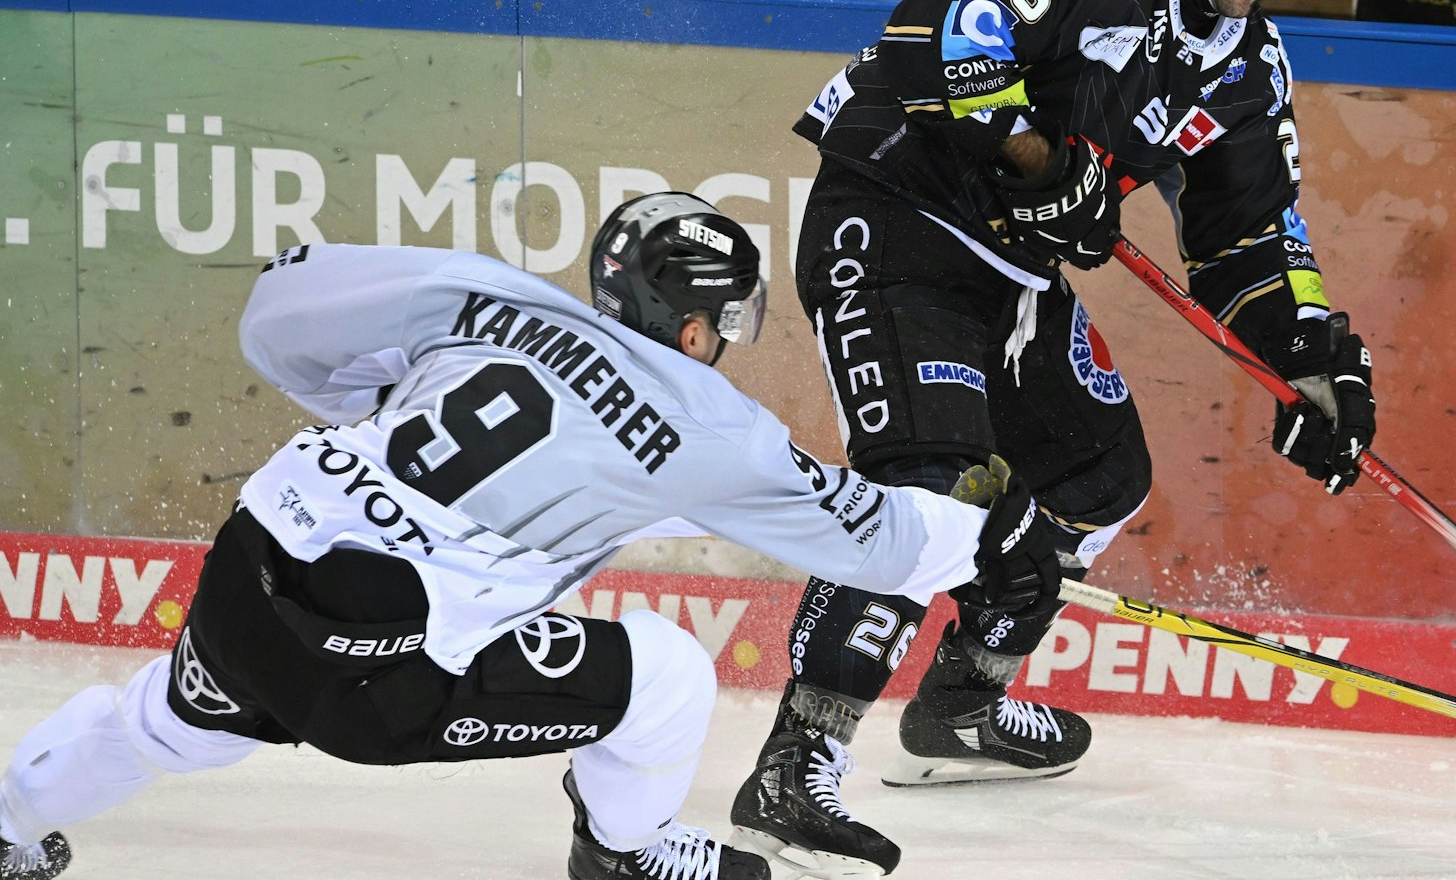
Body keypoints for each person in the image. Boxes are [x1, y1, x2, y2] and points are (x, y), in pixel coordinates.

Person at [0, 194, 1062, 880]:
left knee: (167, 723)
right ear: (695, 328)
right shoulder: (708, 424)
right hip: (372, 663)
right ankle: (625, 853)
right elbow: (873, 543)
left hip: (252, 565)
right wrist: (995, 536)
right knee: (669, 675)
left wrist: (370, 407)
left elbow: (278, 306)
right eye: (725, 327)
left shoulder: (484, 301)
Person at [724, 0, 1378, 879]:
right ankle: (795, 766)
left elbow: (1249, 235)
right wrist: (1037, 160)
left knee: (1095, 474)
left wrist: (1309, 356)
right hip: (896, 216)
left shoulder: (1245, 66)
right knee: (930, 491)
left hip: (1011, 272)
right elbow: (943, 34)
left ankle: (960, 706)